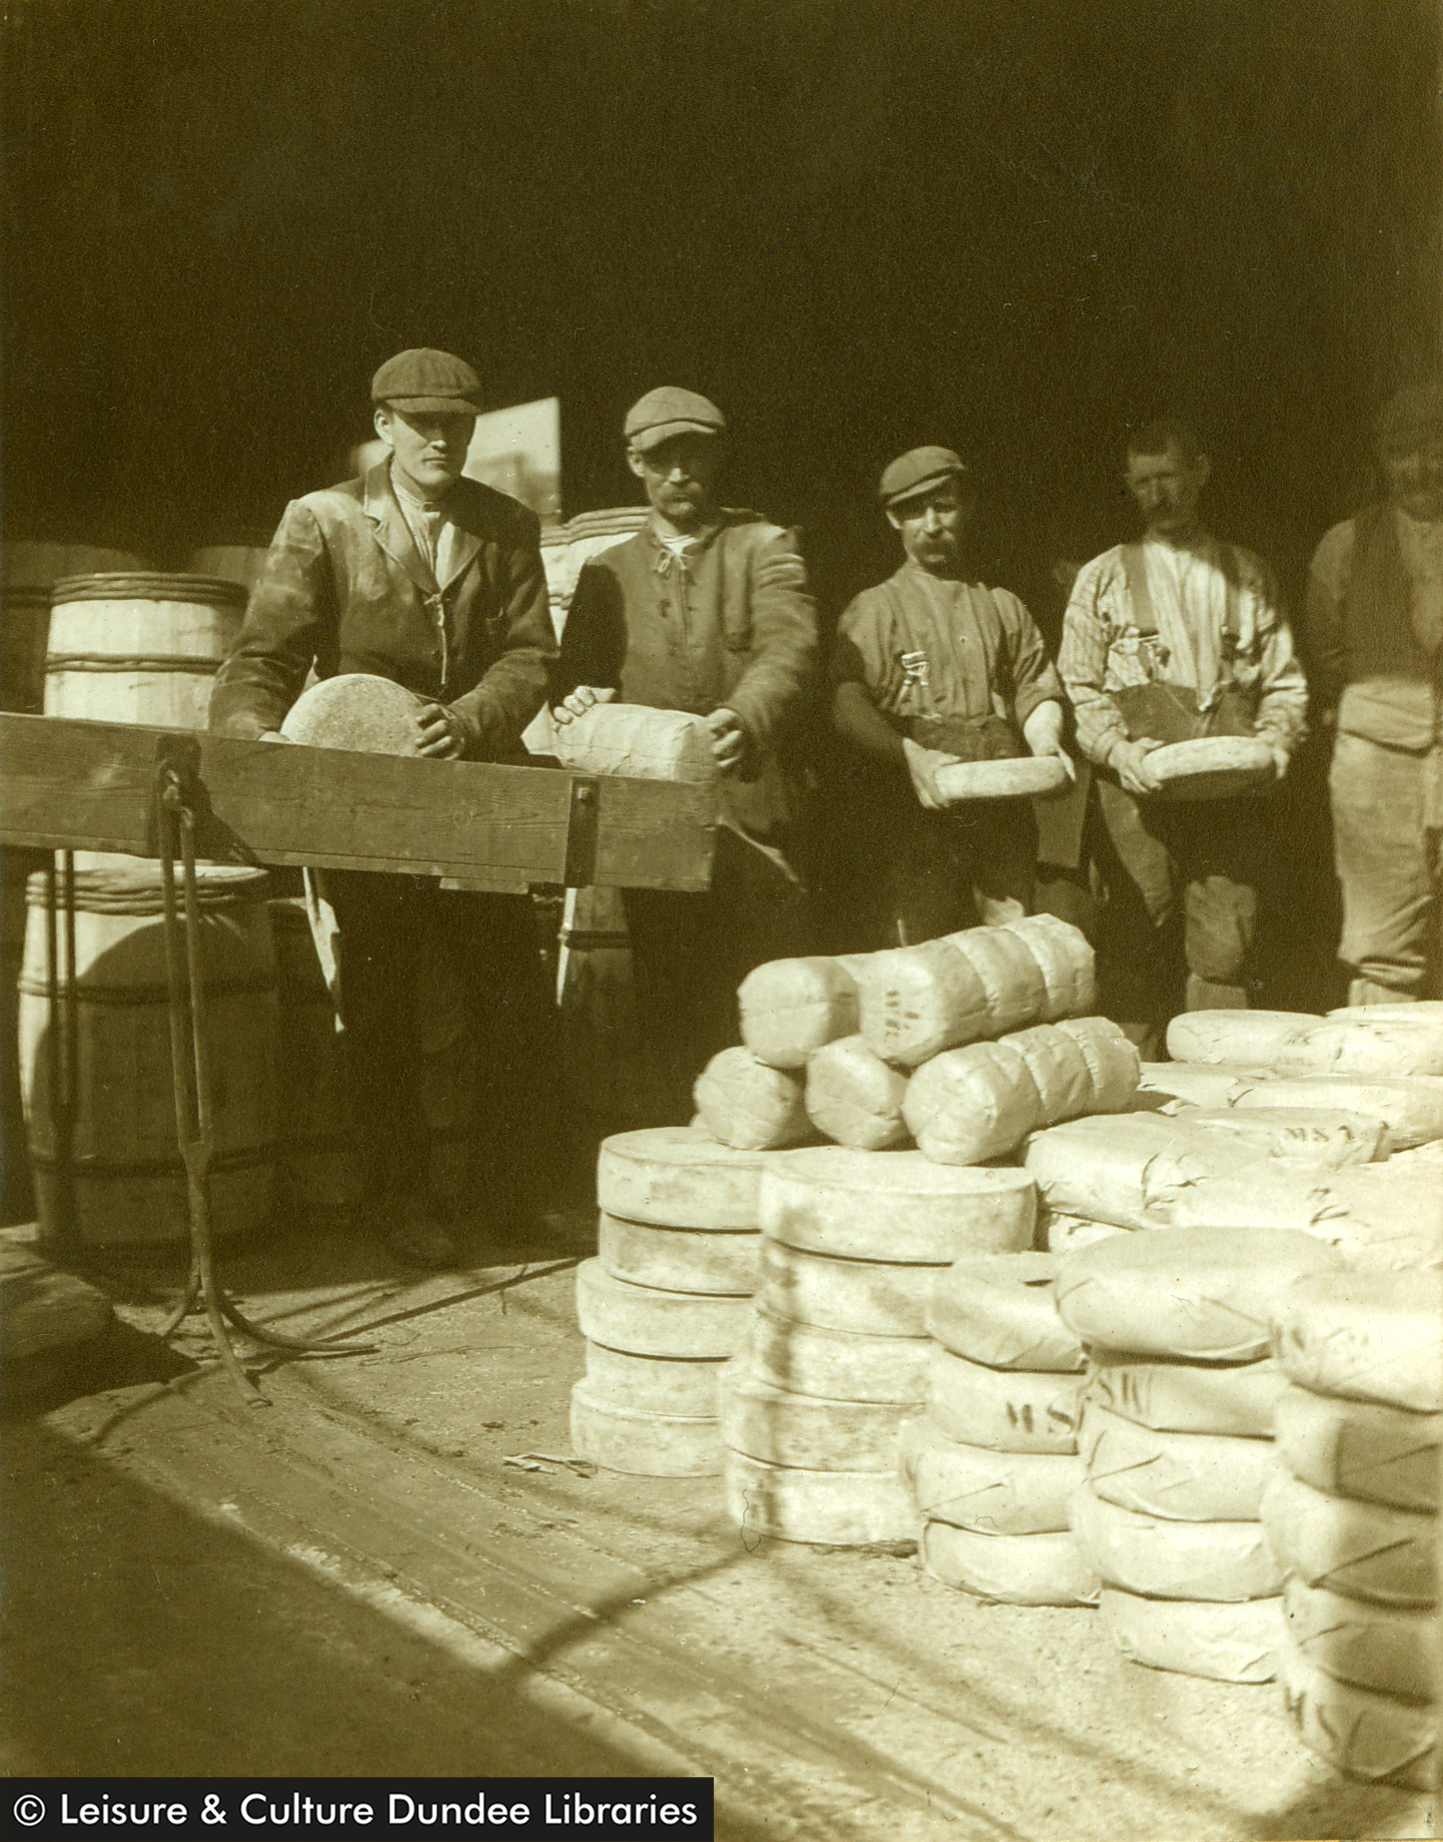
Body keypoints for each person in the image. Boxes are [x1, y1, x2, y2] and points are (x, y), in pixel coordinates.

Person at [210, 349, 558, 1268]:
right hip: (364, 792)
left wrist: (472, 718)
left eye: (457, 422)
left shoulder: (508, 525)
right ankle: (399, 1201)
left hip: (476, 786)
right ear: (384, 426)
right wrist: (258, 738)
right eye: (421, 422)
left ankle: (510, 1197)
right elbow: (264, 656)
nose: (441, 437)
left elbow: (528, 657)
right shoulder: (322, 520)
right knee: (381, 999)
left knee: (509, 994)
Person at [553, 387, 818, 1117]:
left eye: (692, 455)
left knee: (767, 1001)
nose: (678, 473)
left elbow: (789, 645)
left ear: (717, 458)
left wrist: (746, 711)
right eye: (661, 458)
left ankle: (768, 1149)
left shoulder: (764, 546)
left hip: (753, 811)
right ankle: (683, 1142)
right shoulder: (604, 571)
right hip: (657, 822)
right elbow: (578, 679)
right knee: (669, 996)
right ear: (635, 462)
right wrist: (577, 701)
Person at [1058, 420, 1308, 1048]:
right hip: (1137, 795)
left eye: (1169, 476)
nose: (1158, 494)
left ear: (1201, 471)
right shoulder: (1103, 577)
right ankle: (1124, 1100)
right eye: (1143, 482)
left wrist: (1277, 741)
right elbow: (1078, 685)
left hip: (1229, 799)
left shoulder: (1246, 573)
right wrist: (1117, 749)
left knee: (1226, 945)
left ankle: (1222, 1093)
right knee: (1135, 943)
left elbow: (1284, 681)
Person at [829, 445, 1073, 944]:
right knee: (924, 961)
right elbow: (845, 702)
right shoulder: (874, 609)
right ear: (894, 519)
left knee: (1011, 951)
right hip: (915, 813)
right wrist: (908, 754)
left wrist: (1047, 743)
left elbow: (1034, 685)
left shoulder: (1002, 604)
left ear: (967, 507)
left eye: (945, 505)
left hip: (1001, 812)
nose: (933, 523)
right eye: (916, 510)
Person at [1305, 379, 1443, 1003]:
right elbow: (1328, 654)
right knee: (1382, 949)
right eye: (1399, 451)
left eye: (1433, 446)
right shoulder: (1345, 545)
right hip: (1378, 759)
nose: (1419, 467)